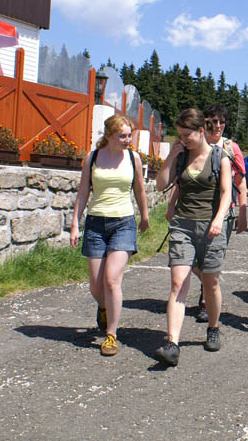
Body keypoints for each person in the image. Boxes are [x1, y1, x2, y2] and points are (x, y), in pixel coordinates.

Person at [153, 108, 232, 364]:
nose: (183, 139)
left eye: (186, 135)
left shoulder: (220, 157)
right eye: (180, 135)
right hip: (182, 226)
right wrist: (171, 156)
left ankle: (213, 327)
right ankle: (172, 343)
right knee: (178, 283)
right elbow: (161, 184)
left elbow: (227, 193)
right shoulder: (181, 156)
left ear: (200, 131)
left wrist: (219, 219)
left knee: (211, 284)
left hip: (211, 227)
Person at [70, 115, 150, 357]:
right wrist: (75, 224)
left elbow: (139, 188)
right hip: (95, 224)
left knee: (112, 280)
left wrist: (144, 216)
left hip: (123, 223)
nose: (128, 140)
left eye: (130, 135)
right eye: (122, 136)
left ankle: (111, 335)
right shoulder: (92, 157)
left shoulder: (133, 158)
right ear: (109, 136)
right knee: (96, 286)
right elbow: (83, 191)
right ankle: (104, 307)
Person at [165, 104, 247, 323]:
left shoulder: (229, 148)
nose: (218, 125)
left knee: (210, 267)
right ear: (205, 124)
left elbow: (239, 182)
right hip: (189, 216)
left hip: (221, 213)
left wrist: (242, 211)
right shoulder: (189, 147)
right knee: (194, 264)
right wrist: (172, 204)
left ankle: (205, 304)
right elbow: (182, 181)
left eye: (222, 122)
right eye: (213, 121)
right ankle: (207, 293)